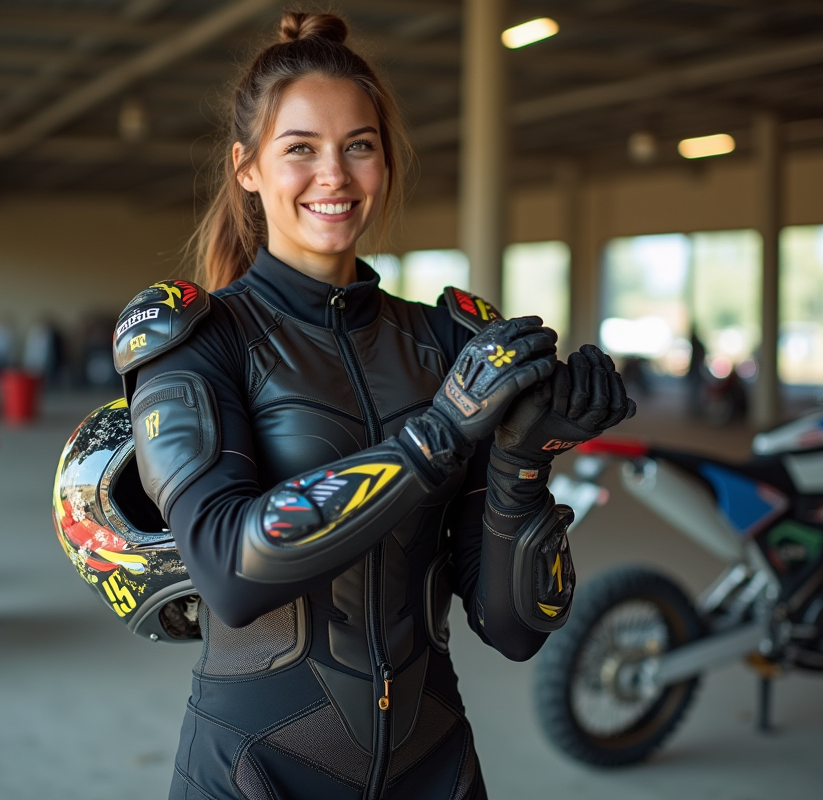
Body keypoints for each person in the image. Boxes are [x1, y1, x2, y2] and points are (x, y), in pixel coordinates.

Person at [111, 13, 634, 799]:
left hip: (436, 767)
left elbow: (516, 628)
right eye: (301, 149)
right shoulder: (197, 339)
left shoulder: (446, 339)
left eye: (359, 145)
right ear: (246, 168)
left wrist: (525, 460)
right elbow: (228, 569)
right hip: (256, 772)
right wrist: (443, 433)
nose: (336, 176)